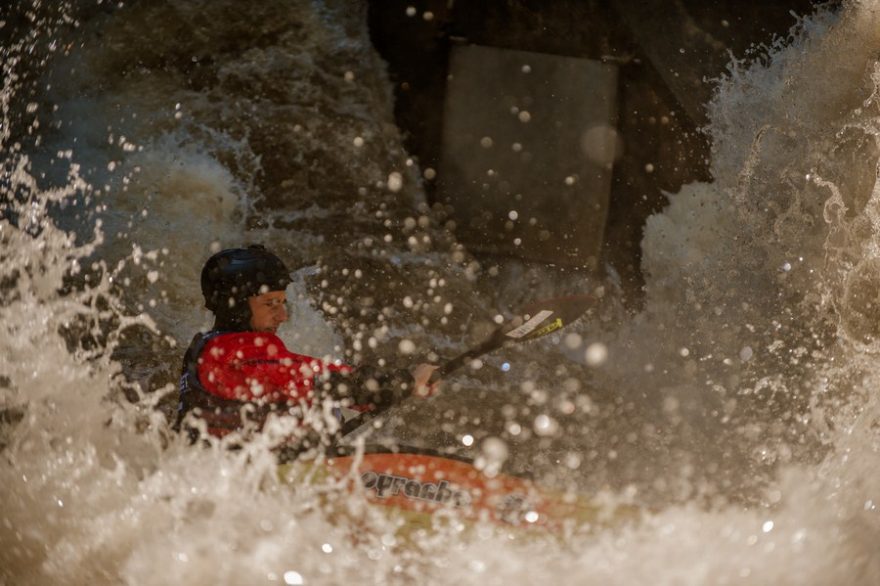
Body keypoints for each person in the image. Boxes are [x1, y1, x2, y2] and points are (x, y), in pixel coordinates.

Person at [174, 244, 437, 444]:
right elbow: (312, 382)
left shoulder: (216, 347)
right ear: (236, 307)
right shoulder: (230, 352)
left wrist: (385, 389)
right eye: (270, 304)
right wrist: (397, 384)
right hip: (244, 477)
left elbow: (307, 373)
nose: (283, 315)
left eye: (282, 302)